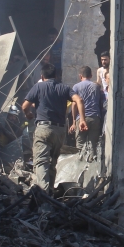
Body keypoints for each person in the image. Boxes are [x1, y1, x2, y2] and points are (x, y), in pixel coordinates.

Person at [22, 63, 87, 193]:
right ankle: (50, 193)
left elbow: (25, 106)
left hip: (43, 128)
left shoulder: (38, 87)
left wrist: (28, 114)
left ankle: (44, 194)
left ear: (42, 76)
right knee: (52, 162)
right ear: (56, 76)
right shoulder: (64, 88)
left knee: (41, 162)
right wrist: (82, 120)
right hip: (60, 131)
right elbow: (79, 100)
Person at [69, 66, 105, 154]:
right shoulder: (96, 87)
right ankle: (92, 160)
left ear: (80, 76)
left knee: (80, 144)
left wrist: (73, 122)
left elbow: (74, 104)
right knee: (93, 145)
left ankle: (80, 161)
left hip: (81, 118)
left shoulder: (76, 87)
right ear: (91, 75)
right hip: (95, 118)